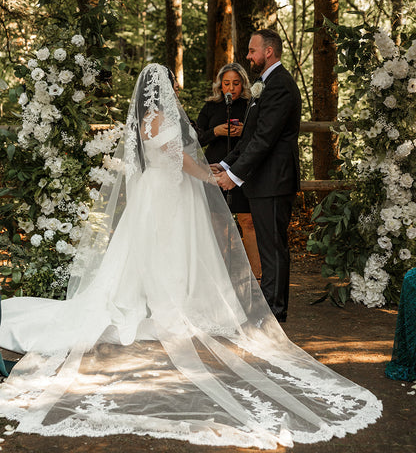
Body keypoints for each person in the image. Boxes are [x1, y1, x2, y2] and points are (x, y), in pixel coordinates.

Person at [0, 64, 381, 447]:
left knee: (159, 251)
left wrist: (211, 168)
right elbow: (176, 157)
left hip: (160, 192)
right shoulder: (157, 116)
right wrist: (209, 176)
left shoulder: (148, 116)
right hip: (166, 194)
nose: (175, 86)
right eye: (170, 80)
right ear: (160, 85)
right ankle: (167, 301)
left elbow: (173, 156)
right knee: (166, 249)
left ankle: (160, 297)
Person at [214, 29, 301, 323]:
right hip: (263, 181)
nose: (248, 56)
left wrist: (234, 177)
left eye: (252, 51)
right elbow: (250, 138)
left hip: (274, 181)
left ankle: (274, 312)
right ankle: (268, 307)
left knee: (273, 247)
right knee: (266, 245)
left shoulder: (280, 86)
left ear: (269, 51)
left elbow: (265, 139)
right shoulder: (265, 83)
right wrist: (225, 165)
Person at [197, 63, 261, 278]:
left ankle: (258, 277)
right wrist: (215, 131)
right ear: (220, 85)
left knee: (248, 221)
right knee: (218, 224)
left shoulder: (252, 105)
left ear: (243, 84)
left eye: (236, 83)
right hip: (215, 169)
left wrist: (246, 130)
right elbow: (195, 139)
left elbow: (262, 136)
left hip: (244, 170)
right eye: (227, 83)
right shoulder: (210, 107)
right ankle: (221, 278)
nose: (231, 88)